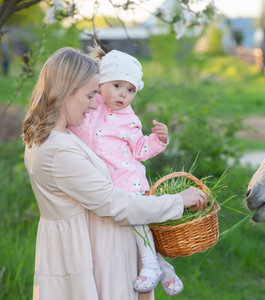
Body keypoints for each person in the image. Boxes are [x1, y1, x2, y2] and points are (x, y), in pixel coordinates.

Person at [22, 47, 207, 300]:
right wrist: (178, 201)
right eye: (90, 95)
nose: (92, 105)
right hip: (90, 255)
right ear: (66, 91)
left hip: (102, 247)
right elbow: (114, 203)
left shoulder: (59, 137)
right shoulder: (57, 150)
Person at [69, 46, 182, 295]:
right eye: (117, 85)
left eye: (130, 89)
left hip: (125, 179)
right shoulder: (90, 105)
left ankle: (152, 265)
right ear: (101, 83)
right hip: (100, 181)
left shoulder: (129, 119)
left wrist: (158, 139)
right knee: (135, 232)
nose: (123, 94)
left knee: (138, 222)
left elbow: (140, 149)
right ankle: (162, 266)